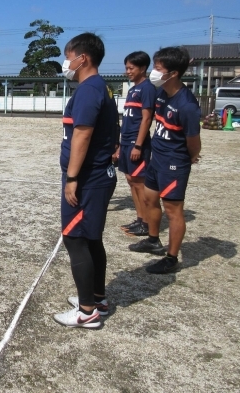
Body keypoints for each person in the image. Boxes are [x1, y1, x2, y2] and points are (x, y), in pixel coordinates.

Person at [53, 33, 118, 329]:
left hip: (88, 178)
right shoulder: (100, 88)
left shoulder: (89, 90)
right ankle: (97, 298)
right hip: (98, 176)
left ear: (83, 58)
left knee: (75, 237)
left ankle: (87, 311)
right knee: (91, 238)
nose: (67, 63)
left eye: (69, 56)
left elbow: (83, 134)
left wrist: (73, 178)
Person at [129, 47, 201, 273]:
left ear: (174, 73)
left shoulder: (186, 105)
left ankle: (171, 257)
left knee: (173, 210)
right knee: (150, 199)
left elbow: (193, 142)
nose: (154, 72)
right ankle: (153, 239)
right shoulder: (161, 93)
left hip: (174, 162)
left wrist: (188, 158)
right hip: (156, 157)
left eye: (158, 68)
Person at [115, 51, 156, 237]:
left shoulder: (147, 88)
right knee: (131, 181)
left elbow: (147, 119)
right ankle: (140, 219)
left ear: (142, 68)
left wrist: (138, 145)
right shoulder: (132, 90)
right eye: (126, 68)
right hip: (126, 141)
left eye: (131, 68)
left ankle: (147, 222)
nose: (128, 72)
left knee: (140, 183)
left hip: (135, 143)